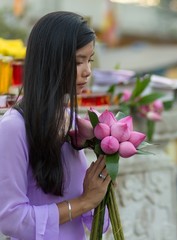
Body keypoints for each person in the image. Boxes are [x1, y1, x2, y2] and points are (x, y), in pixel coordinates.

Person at [0, 11, 111, 240]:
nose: (87, 71)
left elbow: (96, 222)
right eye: (78, 61)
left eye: (89, 61)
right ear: (50, 61)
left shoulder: (69, 120)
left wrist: (102, 182)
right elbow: (11, 219)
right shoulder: (13, 128)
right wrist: (83, 202)